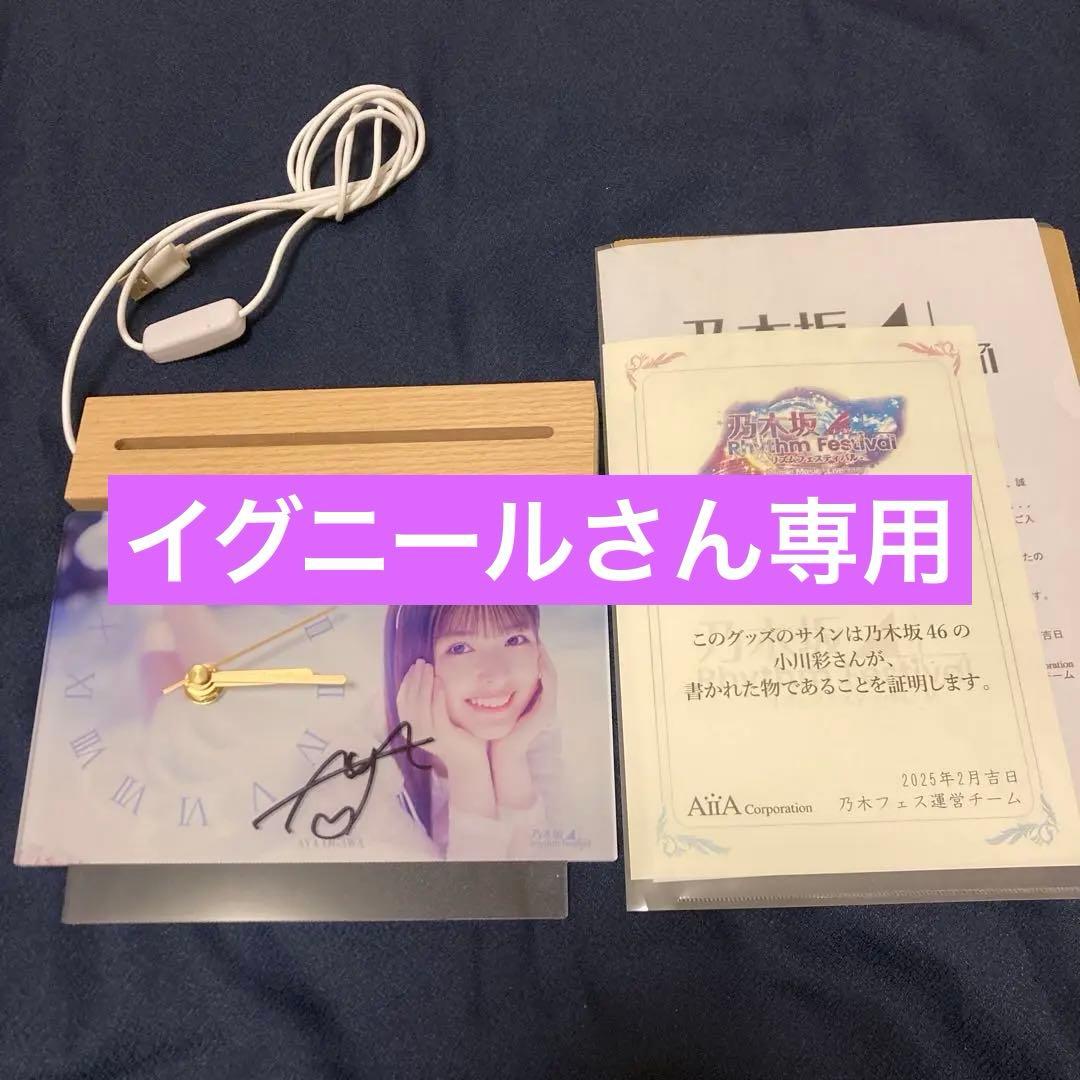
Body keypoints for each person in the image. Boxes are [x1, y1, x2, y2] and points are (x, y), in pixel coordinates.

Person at [384, 604, 558, 860]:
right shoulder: (364, 775)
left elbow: (537, 875)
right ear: (410, 664)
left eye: (514, 640)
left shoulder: (538, 730)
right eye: (459, 648)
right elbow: (475, 883)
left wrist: (511, 756)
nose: (497, 676)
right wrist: (466, 765)